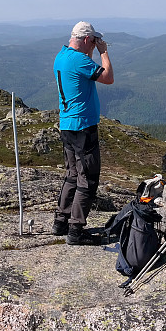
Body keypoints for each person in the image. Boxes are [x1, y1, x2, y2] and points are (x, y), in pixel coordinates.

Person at [52, 21, 114, 245]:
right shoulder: (80, 61)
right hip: (82, 126)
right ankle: (76, 230)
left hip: (67, 124)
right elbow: (108, 77)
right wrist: (104, 52)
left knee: (71, 174)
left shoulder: (61, 56)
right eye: (93, 41)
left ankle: (60, 221)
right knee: (87, 178)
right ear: (88, 40)